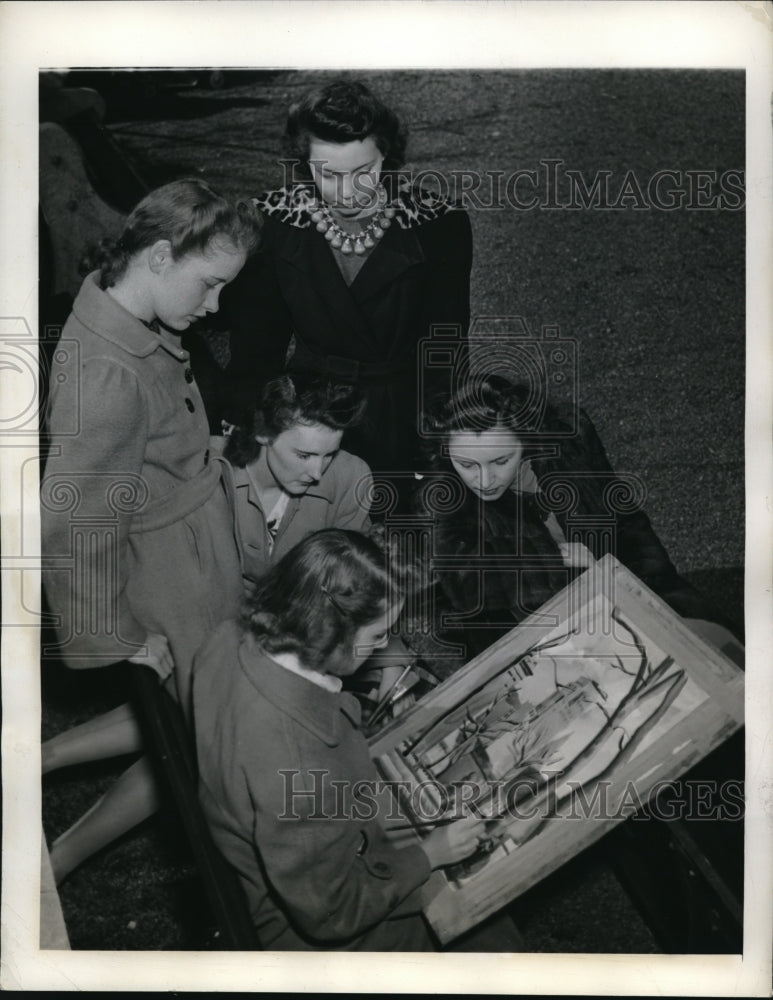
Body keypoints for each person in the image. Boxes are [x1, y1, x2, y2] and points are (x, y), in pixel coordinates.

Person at [41, 178, 262, 882]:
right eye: (209, 285)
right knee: (201, 729)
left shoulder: (129, 321)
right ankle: (61, 856)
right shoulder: (108, 373)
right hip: (173, 574)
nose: (215, 305)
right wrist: (120, 638)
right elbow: (74, 524)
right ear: (160, 257)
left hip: (187, 551)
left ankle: (31, 761)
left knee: (187, 710)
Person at [191, 528, 487, 950]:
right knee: (485, 932)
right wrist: (430, 854)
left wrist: (354, 711)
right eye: (378, 635)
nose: (384, 645)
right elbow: (332, 914)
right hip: (306, 936)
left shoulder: (227, 637)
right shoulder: (303, 771)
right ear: (330, 633)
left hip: (246, 857)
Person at [215, 78, 473, 485]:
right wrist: (250, 427)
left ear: (387, 156)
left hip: (404, 418)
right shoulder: (274, 223)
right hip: (309, 417)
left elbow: (445, 348)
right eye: (329, 175)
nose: (349, 192)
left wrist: (442, 441)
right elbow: (257, 347)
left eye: (364, 171)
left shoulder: (438, 223)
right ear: (304, 164)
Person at [414, 373, 735, 662]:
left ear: (525, 440)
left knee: (719, 650)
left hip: (624, 583)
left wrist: (645, 585)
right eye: (467, 465)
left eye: (501, 460)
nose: (484, 480)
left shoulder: (570, 439)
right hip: (535, 631)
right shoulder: (444, 495)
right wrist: (560, 561)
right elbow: (462, 583)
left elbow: (624, 519)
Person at [219, 371, 371, 584]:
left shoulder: (351, 478)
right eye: (304, 455)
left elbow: (347, 582)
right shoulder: (208, 469)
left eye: (329, 455)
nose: (317, 473)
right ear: (263, 433)